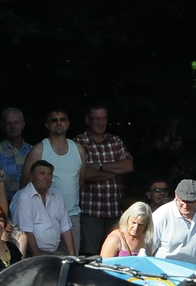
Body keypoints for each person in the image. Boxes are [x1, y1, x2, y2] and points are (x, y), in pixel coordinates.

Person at [73, 106, 133, 257]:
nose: (101, 123)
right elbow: (85, 174)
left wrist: (99, 167)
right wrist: (114, 171)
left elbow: (128, 165)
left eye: (103, 118)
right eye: (96, 119)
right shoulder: (79, 142)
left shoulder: (115, 141)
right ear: (88, 120)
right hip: (90, 211)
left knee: (113, 256)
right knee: (90, 256)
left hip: (114, 210)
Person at [23, 110, 88, 233]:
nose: (59, 123)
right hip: (44, 216)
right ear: (47, 125)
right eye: (54, 120)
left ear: (68, 123)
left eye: (62, 119)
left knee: (72, 253)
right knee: (45, 253)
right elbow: (26, 184)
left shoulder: (79, 149)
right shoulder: (38, 150)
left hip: (72, 215)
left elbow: (80, 182)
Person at [10, 160, 74, 257]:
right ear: (31, 176)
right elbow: (26, 232)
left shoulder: (56, 195)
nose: (47, 177)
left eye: (49, 174)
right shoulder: (23, 198)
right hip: (32, 254)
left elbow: (65, 228)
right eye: (42, 174)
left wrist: (72, 256)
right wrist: (38, 258)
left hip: (55, 251)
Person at [152, 179, 196, 264]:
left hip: (193, 271)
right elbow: (148, 248)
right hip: (164, 271)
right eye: (182, 201)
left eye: (190, 202)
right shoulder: (160, 215)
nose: (185, 206)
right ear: (176, 195)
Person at [0, 107, 30, 196]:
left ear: (23, 124)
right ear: (3, 126)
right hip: (5, 203)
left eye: (16, 122)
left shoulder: (33, 151)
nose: (13, 126)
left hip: (29, 203)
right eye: (9, 123)